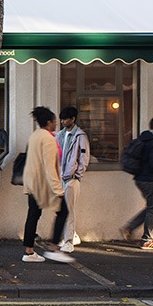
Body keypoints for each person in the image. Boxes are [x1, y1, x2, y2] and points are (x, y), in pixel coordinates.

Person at [21, 106, 73, 263]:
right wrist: (58, 190)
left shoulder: (35, 136)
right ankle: (54, 248)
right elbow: (50, 167)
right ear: (49, 122)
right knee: (63, 211)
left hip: (33, 184)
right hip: (45, 185)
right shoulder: (49, 140)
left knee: (33, 215)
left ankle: (29, 252)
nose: (56, 124)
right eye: (55, 121)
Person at [121, 117, 153, 250]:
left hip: (139, 178)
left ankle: (130, 227)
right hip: (150, 180)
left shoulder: (143, 138)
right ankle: (147, 240)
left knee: (151, 207)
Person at [55, 106, 90, 252]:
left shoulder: (80, 136)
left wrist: (77, 175)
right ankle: (70, 236)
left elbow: (84, 157)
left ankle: (69, 241)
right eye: (61, 119)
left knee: (68, 210)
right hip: (60, 178)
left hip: (71, 178)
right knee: (62, 210)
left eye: (65, 119)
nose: (62, 121)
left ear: (73, 119)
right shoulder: (60, 135)